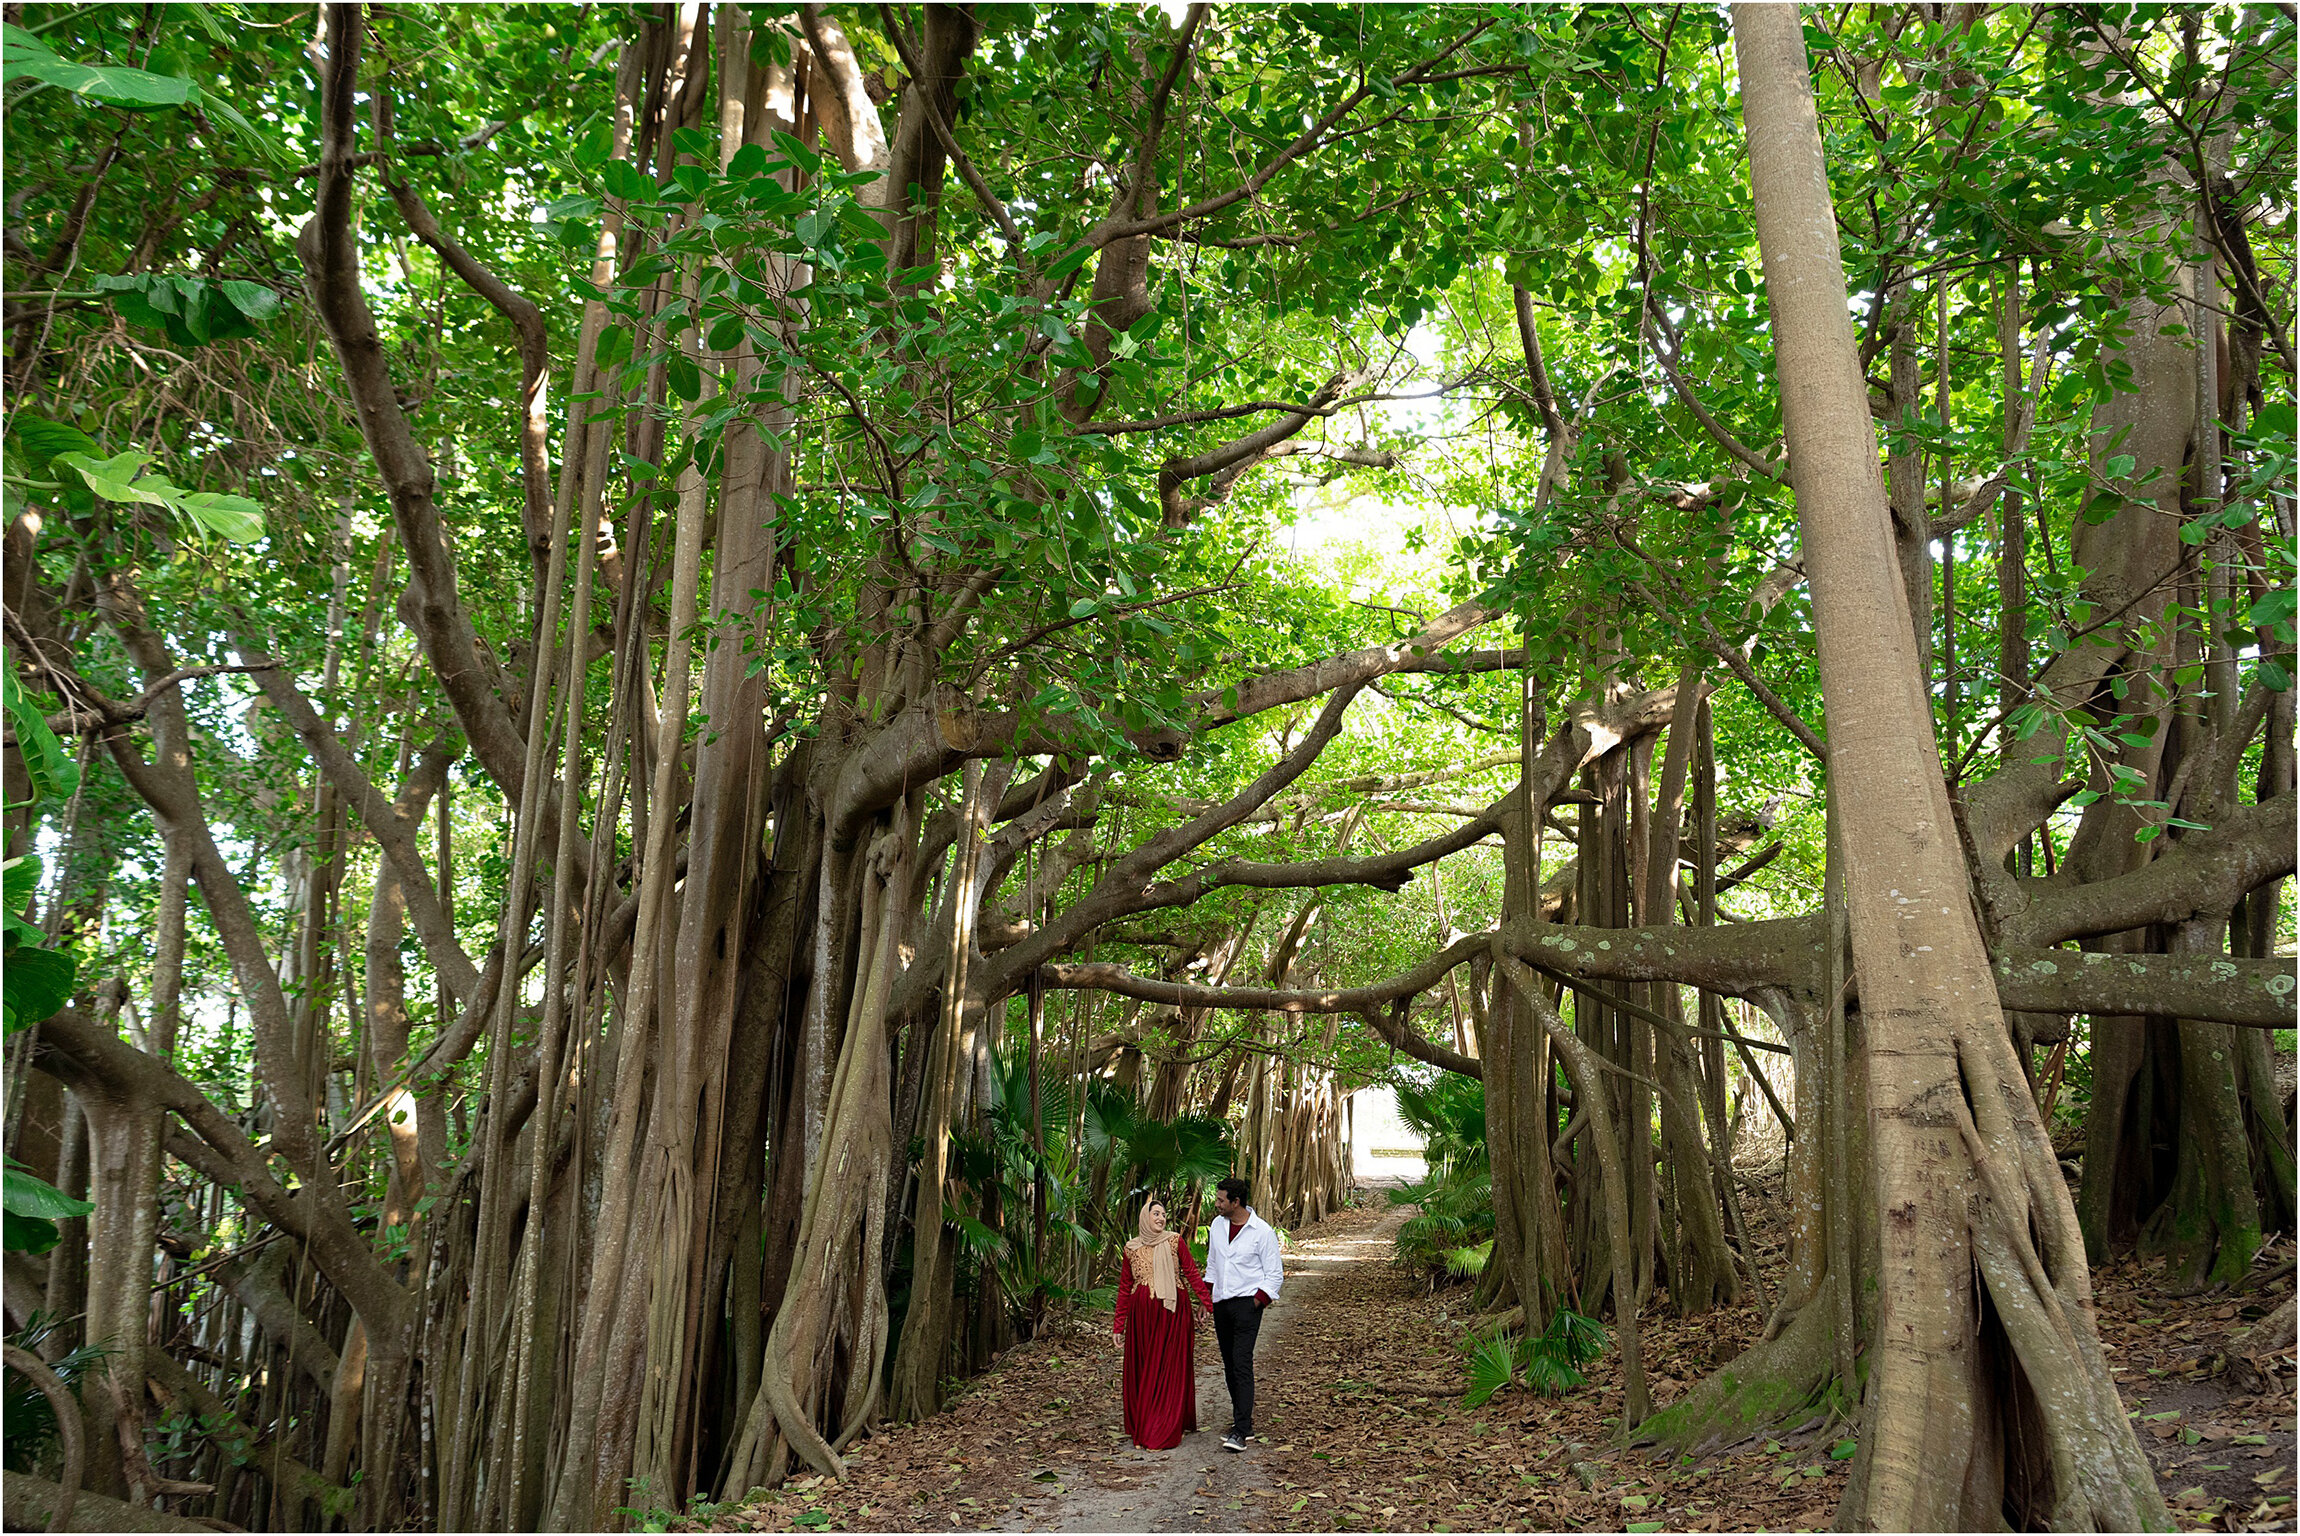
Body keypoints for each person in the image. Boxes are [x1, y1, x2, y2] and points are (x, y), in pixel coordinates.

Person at [1112, 1197, 1214, 1451]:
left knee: (1168, 1368)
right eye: (1155, 1213)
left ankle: (1162, 1429)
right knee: (1146, 1369)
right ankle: (1146, 1424)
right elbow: (1125, 1287)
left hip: (1173, 1314)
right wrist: (1118, 1326)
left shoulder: (1174, 1240)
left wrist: (1206, 1303)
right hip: (1142, 1317)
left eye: (1164, 1214)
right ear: (1145, 1218)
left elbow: (1190, 1272)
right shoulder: (1131, 1248)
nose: (1161, 1218)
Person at [1203, 1176, 1282, 1452]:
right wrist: (1205, 1299)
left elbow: (1274, 1275)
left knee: (1241, 1362)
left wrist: (1256, 1303)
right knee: (1228, 1363)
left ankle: (1241, 1429)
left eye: (1221, 1200)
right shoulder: (1217, 1225)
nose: (1217, 1204)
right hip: (1221, 1304)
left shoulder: (1262, 1232)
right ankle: (1242, 1419)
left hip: (1247, 1305)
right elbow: (1212, 1265)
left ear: (1236, 1202)